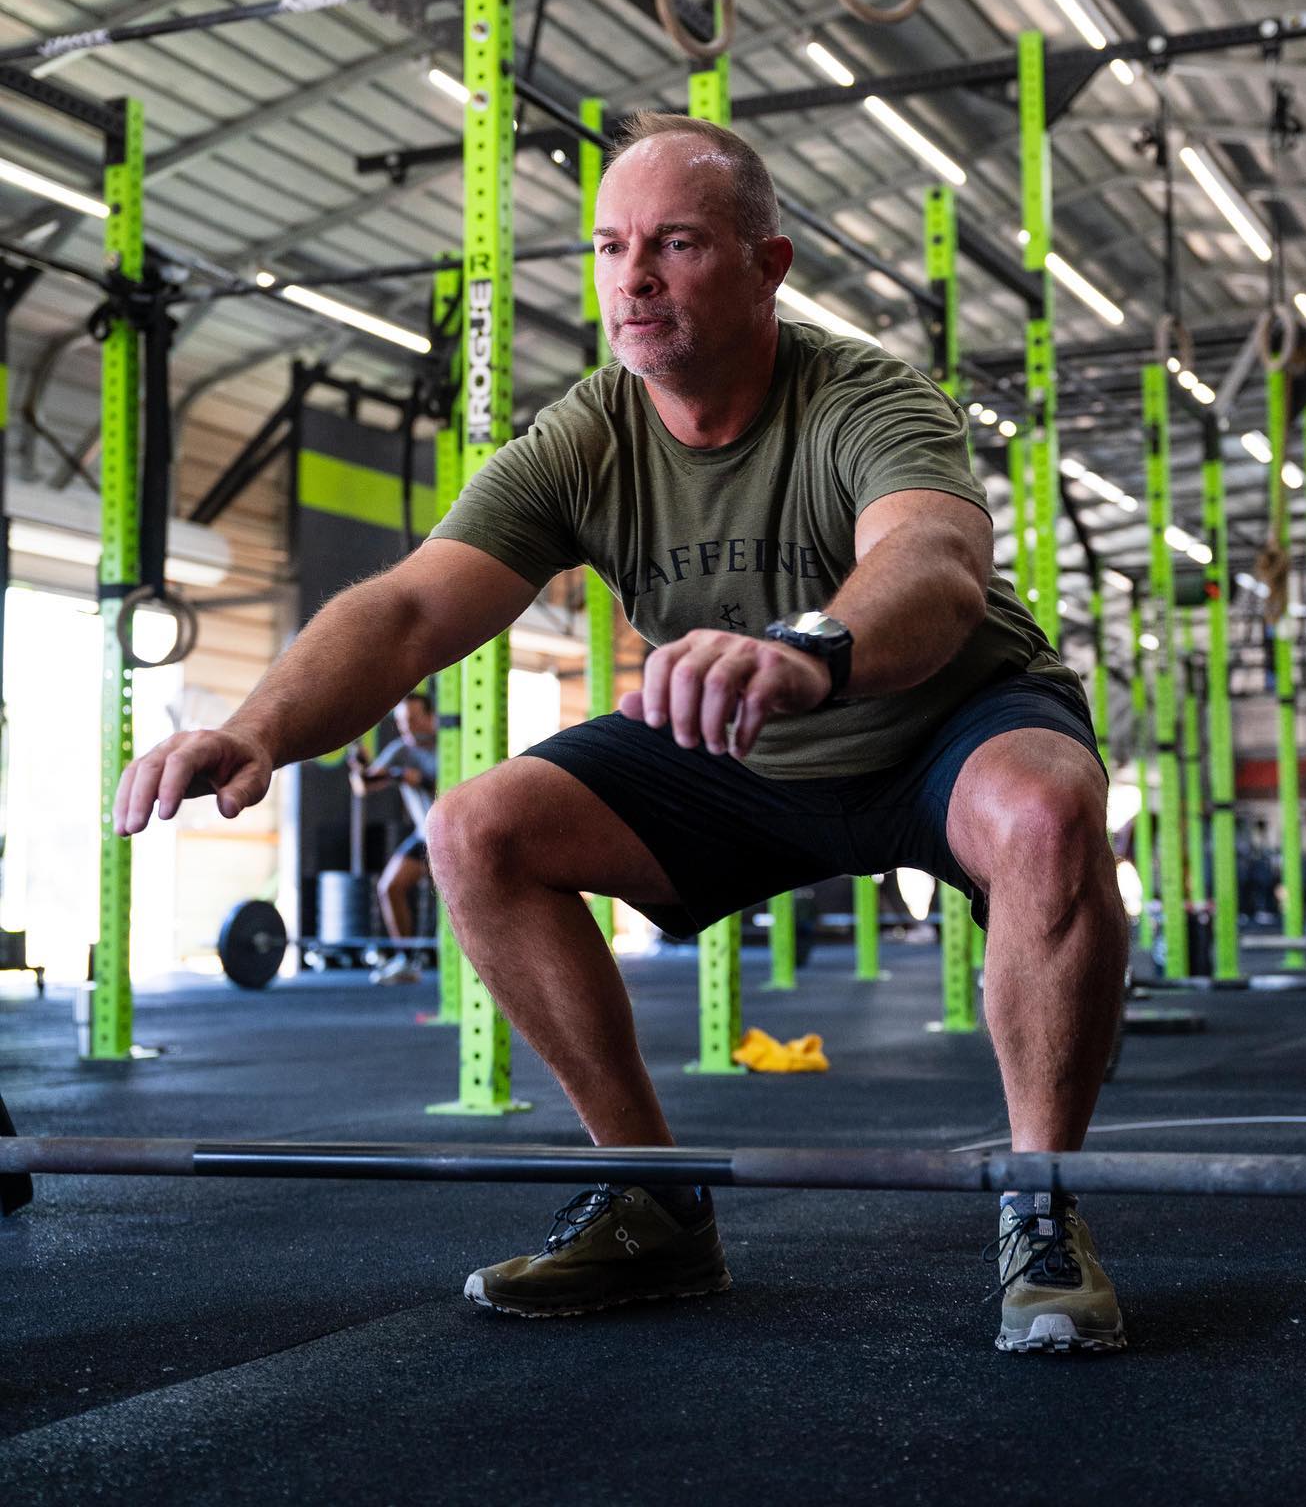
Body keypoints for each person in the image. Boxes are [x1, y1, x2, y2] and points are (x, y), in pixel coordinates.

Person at [114, 113, 1130, 1355]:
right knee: (479, 829)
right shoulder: (585, 436)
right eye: (610, 247)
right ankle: (652, 1200)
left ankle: (1044, 1208)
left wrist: (809, 649)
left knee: (1047, 808)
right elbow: (411, 609)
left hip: (942, 724)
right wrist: (259, 727)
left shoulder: (864, 397)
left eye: (677, 244)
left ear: (768, 265)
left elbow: (934, 563)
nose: (633, 278)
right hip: (739, 751)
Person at [347, 692, 438, 983]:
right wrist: (359, 768)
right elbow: (364, 786)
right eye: (401, 723)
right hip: (424, 836)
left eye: (412, 720)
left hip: (454, 836)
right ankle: (406, 961)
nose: (407, 728)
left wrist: (423, 781)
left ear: (431, 718)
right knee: (390, 887)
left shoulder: (451, 744)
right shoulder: (401, 750)